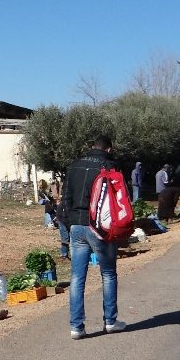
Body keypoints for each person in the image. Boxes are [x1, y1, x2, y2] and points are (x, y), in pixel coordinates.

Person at [62, 135, 127, 339]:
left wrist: (68, 224)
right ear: (109, 149)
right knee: (108, 274)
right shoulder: (110, 166)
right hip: (100, 227)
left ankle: (76, 327)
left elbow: (65, 199)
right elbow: (121, 198)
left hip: (76, 226)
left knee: (76, 277)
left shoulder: (74, 166)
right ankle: (110, 321)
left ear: (92, 146)